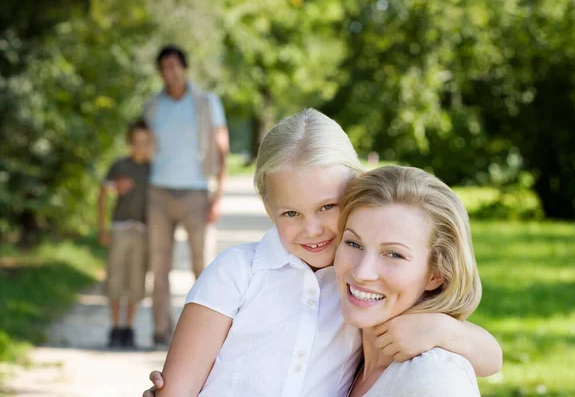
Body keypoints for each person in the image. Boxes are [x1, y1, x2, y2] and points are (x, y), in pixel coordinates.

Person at [143, 109, 501, 397]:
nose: (312, 230)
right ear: (270, 211)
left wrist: (442, 328)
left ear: (355, 195)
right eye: (291, 213)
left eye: (328, 206)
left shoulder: (357, 287)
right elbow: (177, 388)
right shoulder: (238, 271)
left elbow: (491, 358)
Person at [337, 165, 483, 396]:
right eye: (353, 243)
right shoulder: (338, 344)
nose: (362, 272)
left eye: (394, 254)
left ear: (436, 275)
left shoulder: (434, 380)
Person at [143, 45, 230, 347]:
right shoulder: (152, 106)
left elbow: (222, 147)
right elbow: (141, 149)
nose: (170, 71)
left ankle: (203, 332)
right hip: (158, 191)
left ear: (184, 68)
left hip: (195, 192)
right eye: (164, 66)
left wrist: (218, 194)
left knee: (202, 266)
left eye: (174, 65)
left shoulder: (207, 102)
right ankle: (160, 329)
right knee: (159, 267)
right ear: (160, 72)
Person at [98, 120, 152, 348]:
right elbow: (102, 192)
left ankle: (128, 327)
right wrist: (102, 228)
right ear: (129, 143)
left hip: (142, 231)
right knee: (115, 279)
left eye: (145, 142)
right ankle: (115, 328)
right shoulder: (120, 165)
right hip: (120, 229)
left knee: (136, 280)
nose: (140, 147)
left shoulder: (153, 168)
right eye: (136, 142)